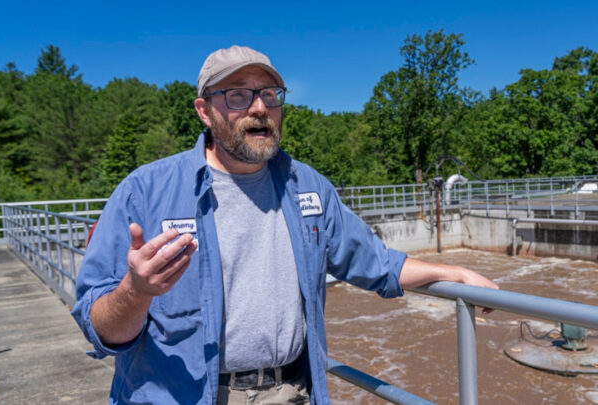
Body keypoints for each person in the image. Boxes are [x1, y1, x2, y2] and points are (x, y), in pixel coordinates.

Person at [72, 45, 498, 405]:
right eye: (238, 95)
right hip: (183, 396)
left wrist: (452, 274)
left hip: (289, 393)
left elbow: (374, 263)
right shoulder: (145, 193)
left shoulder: (307, 186)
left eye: (270, 94)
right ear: (204, 111)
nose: (259, 108)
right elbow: (100, 328)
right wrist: (136, 291)